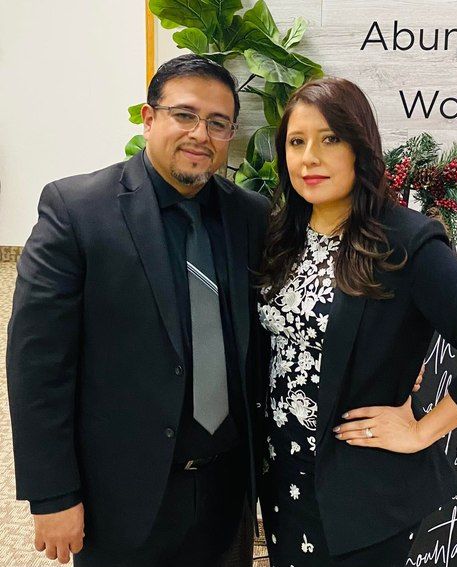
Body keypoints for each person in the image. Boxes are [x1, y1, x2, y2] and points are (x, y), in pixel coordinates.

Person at [6, 54, 271, 566]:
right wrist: (53, 494)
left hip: (225, 490)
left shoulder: (251, 216)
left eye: (218, 123)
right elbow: (38, 365)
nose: (200, 134)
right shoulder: (77, 211)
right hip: (120, 497)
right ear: (149, 119)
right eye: (184, 114)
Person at [256, 78, 457, 567]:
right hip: (283, 479)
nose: (309, 158)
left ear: (360, 148)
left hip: (360, 495)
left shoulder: (405, 241)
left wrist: (423, 431)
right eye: (296, 142)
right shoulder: (282, 234)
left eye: (330, 139)